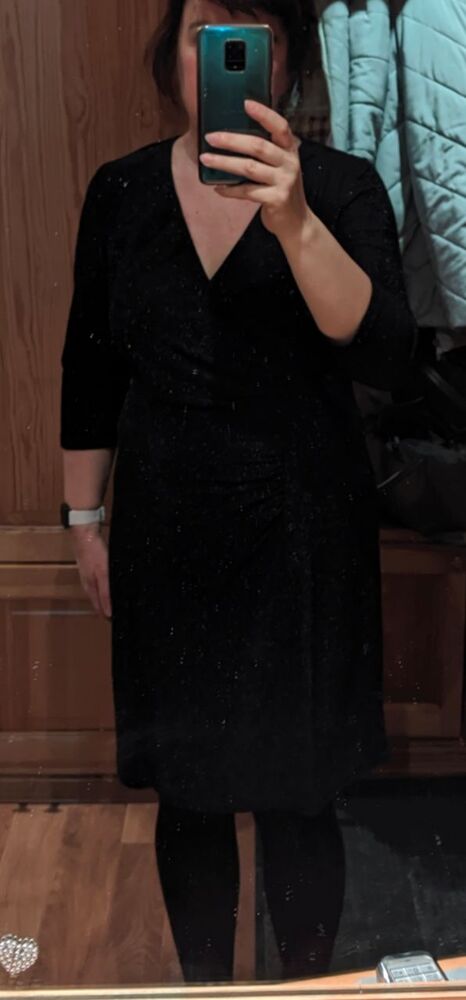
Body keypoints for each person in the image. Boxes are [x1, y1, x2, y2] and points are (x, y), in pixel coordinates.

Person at [59, 0, 418, 984]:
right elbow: (90, 366)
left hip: (306, 537)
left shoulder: (340, 188)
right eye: (203, 34)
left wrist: (292, 221)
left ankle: (302, 989)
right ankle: (206, 991)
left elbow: (386, 354)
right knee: (189, 795)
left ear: (285, 63)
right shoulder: (121, 191)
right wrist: (84, 521)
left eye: (251, 39)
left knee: (301, 798)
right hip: (165, 532)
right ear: (171, 53)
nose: (220, 58)